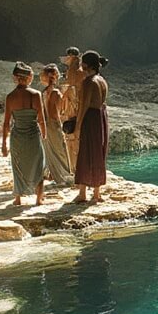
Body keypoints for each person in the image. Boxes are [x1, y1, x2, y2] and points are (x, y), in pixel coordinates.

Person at [2, 62, 47, 207]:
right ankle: (39, 198)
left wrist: (4, 142)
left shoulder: (10, 97)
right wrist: (45, 134)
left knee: (17, 165)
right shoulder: (35, 95)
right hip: (33, 135)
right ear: (29, 78)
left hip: (17, 136)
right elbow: (41, 118)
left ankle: (18, 198)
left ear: (15, 78)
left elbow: (6, 122)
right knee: (39, 164)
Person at [73, 50, 109, 204]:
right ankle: (96, 192)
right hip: (101, 116)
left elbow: (84, 105)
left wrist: (77, 126)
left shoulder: (88, 82)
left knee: (85, 153)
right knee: (98, 152)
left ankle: (82, 193)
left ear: (86, 65)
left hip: (91, 118)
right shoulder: (102, 80)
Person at [40, 63, 74, 186]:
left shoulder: (43, 92)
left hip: (44, 123)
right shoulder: (55, 93)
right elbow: (55, 113)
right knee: (60, 150)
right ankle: (63, 176)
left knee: (50, 150)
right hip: (53, 123)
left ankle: (53, 174)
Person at [60, 47, 84, 169]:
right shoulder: (78, 72)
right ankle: (73, 168)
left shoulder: (77, 73)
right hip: (72, 111)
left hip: (74, 111)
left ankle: (75, 169)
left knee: (74, 140)